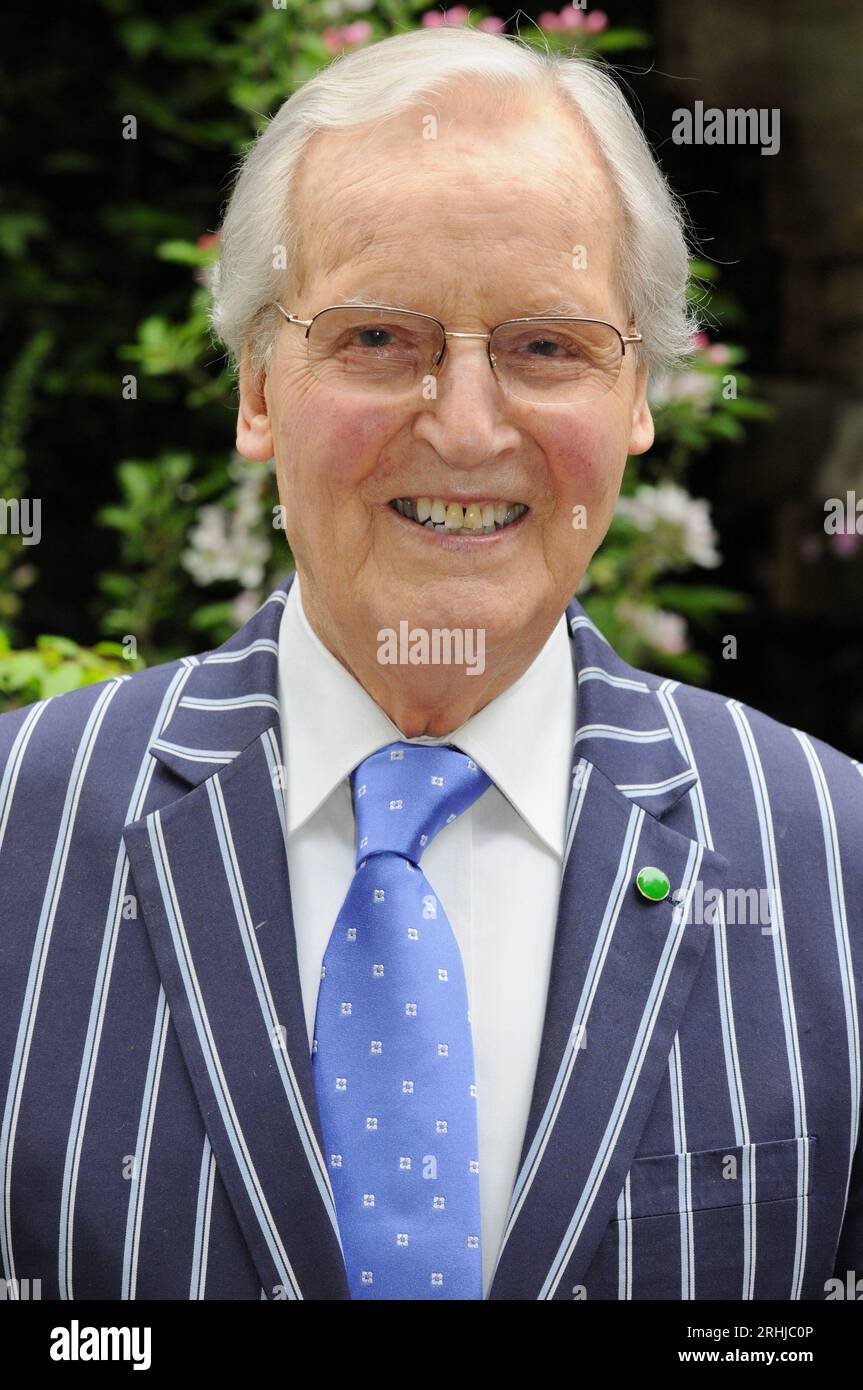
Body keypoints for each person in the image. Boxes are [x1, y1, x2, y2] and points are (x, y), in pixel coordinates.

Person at [0, 25, 860, 1302]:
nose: (463, 428)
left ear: (636, 398)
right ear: (255, 386)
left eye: (546, 346)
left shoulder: (834, 858)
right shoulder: (21, 825)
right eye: (377, 338)